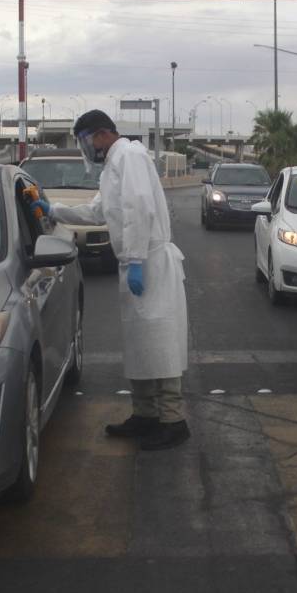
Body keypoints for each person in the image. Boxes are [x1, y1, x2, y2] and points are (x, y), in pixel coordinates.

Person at [28, 110, 190, 450]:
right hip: (135, 261)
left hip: (150, 262)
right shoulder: (114, 165)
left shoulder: (129, 156)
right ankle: (145, 414)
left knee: (160, 342)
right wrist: (53, 209)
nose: (86, 148)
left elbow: (138, 208)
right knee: (140, 344)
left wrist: (134, 259)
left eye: (85, 140)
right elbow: (99, 211)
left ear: (101, 134)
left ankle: (173, 421)